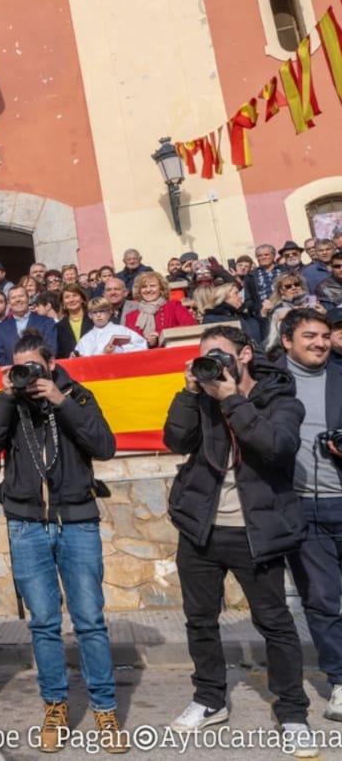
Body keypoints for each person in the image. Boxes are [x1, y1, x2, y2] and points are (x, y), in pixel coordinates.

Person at [161, 325, 313, 750]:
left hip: (257, 531)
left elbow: (277, 446)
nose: (214, 364)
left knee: (275, 624)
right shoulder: (202, 396)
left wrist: (231, 398)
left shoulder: (279, 396)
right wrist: (191, 392)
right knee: (200, 621)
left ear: (244, 355)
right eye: (205, 356)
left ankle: (292, 711)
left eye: (220, 355)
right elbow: (175, 440)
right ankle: (210, 699)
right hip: (201, 529)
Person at [0, 333, 127, 753]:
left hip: (77, 520)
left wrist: (61, 401)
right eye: (20, 368)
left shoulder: (76, 395)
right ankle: (55, 706)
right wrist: (6, 398)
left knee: (90, 621)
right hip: (27, 524)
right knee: (42, 623)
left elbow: (105, 446)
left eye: (34, 369)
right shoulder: (8, 401)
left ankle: (105, 708)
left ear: (52, 364)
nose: (28, 377)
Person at [280, 309, 342, 722]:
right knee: (321, 600)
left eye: (324, 335)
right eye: (309, 336)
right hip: (298, 506)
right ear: (287, 340)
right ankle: (340, 681)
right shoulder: (267, 380)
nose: (320, 342)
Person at [124, 271, 197, 347]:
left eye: (152, 286)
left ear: (161, 289)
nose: (148, 290)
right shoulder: (131, 316)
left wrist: (159, 335)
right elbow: (128, 342)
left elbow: (190, 326)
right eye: (144, 287)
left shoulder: (173, 306)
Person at [0, 286, 58, 366]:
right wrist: (17, 369)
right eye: (13, 298)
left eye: (21, 296)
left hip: (41, 372)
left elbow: (51, 349)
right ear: (9, 303)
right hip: (14, 374)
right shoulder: (0, 327)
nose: (18, 300)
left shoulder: (46, 322)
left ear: (28, 299)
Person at [75, 297, 148, 356]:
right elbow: (81, 360)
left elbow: (142, 346)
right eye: (94, 312)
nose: (98, 315)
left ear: (109, 312)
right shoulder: (86, 339)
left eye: (102, 311)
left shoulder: (121, 330)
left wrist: (118, 350)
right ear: (90, 315)